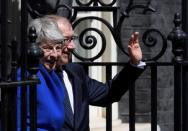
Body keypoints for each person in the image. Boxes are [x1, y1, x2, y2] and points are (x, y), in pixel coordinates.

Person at [46, 15, 146, 131]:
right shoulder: (33, 77)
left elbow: (108, 93)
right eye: (66, 40)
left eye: (72, 39)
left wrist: (134, 64)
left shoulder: (75, 72)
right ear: (48, 40)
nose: (72, 46)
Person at [17, 17, 66, 131]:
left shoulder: (54, 77)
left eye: (58, 48)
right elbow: (17, 124)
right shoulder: (25, 76)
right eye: (48, 48)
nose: (55, 54)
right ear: (33, 48)